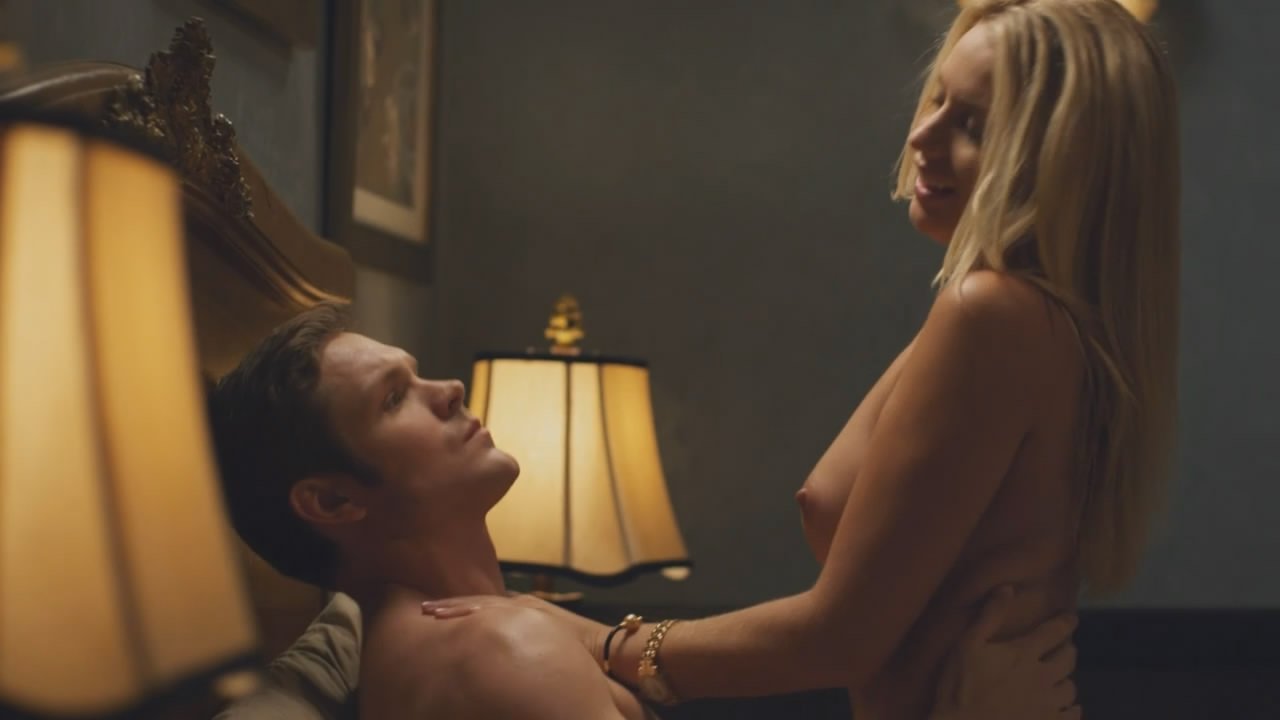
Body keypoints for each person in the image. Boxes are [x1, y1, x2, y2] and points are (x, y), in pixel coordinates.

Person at [423, 1, 1180, 718]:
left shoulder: (994, 317)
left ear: (1058, 160)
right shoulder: (1024, 316)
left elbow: (839, 638)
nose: (923, 134)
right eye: (938, 99)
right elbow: (838, 524)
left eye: (974, 124)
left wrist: (603, 643)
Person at [209, 303, 1078, 720]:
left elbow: (827, 608)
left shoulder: (475, 628)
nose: (448, 388)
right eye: (395, 396)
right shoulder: (494, 646)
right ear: (331, 500)